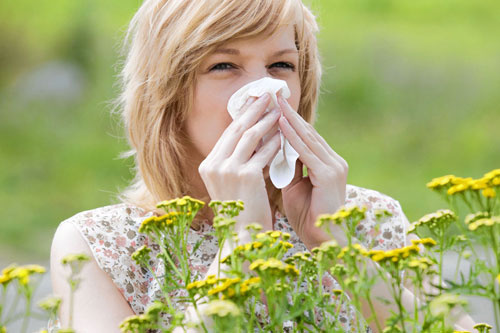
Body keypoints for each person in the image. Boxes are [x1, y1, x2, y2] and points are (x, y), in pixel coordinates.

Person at [50, 0, 476, 332]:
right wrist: (243, 242)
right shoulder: (100, 245)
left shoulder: (368, 220)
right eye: (223, 65)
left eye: (280, 66)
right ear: (168, 95)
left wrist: (338, 246)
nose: (264, 92)